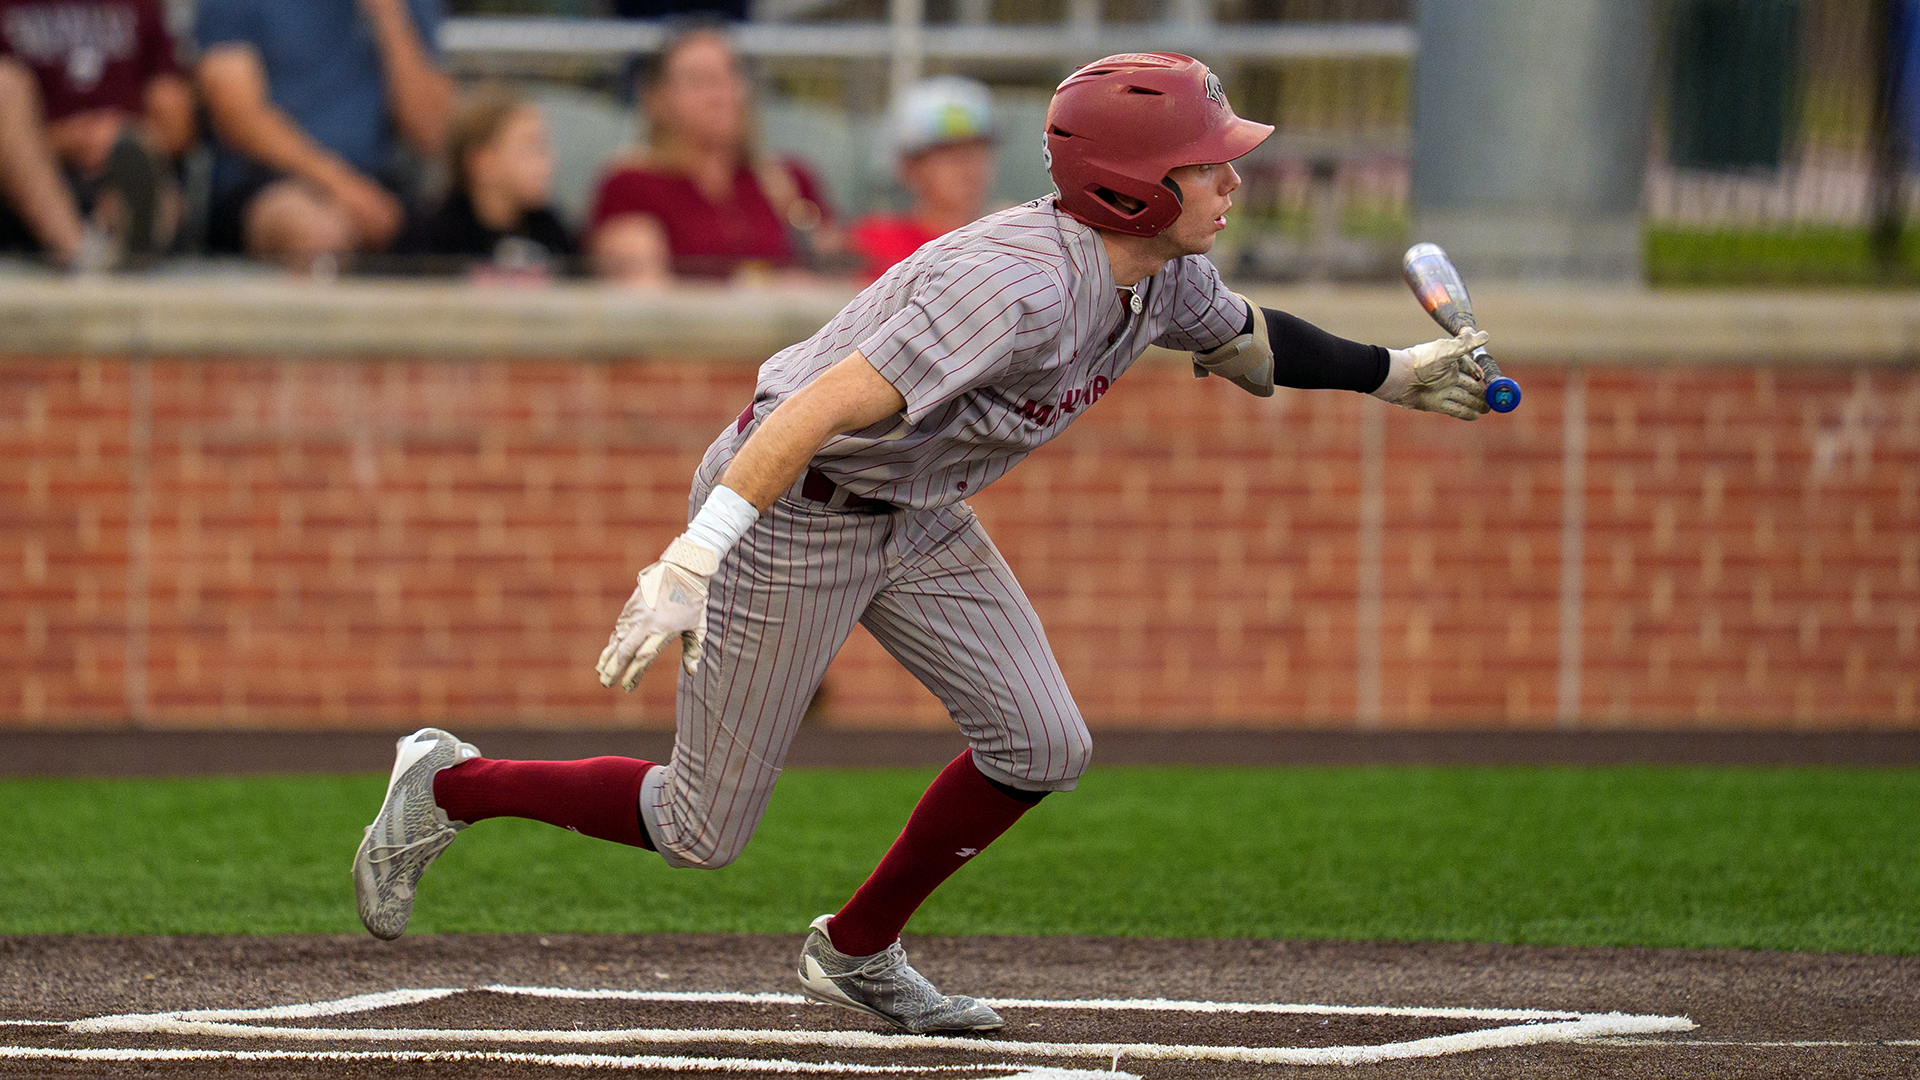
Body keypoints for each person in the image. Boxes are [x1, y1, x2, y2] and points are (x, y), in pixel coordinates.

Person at [353, 54, 1490, 1034]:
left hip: (921, 510)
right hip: (794, 507)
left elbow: (1248, 337)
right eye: (1207, 162)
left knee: (1044, 745)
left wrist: (1391, 374)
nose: (1233, 178)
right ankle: (454, 784)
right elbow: (807, 414)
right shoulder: (1011, 289)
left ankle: (854, 952)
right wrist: (690, 558)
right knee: (699, 830)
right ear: (1133, 187)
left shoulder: (1162, 271)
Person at [194, 0, 453, 271]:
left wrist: (389, 16)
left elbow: (433, 133)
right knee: (318, 234)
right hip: (266, 182)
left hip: (381, 183)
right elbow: (236, 114)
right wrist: (343, 187)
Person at [587, 23, 837, 284]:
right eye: (700, 81)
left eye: (731, 75)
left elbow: (839, 280)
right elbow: (642, 296)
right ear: (657, 99)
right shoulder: (630, 186)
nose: (722, 93)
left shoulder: (791, 180)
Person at [0, 0, 193, 269]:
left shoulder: (142, 6)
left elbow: (177, 123)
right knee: (4, 84)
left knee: (151, 190)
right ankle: (79, 250)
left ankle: (127, 240)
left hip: (120, 166)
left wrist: (120, 134)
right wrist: (65, 138)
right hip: (28, 176)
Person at [392, 83, 576, 278]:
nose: (548, 163)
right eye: (532, 147)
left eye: (545, 147)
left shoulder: (551, 231)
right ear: (482, 162)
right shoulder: (431, 238)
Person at [850, 75, 998, 281]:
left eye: (979, 153)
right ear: (908, 166)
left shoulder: (1010, 240)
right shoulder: (870, 245)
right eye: (952, 156)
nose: (971, 170)